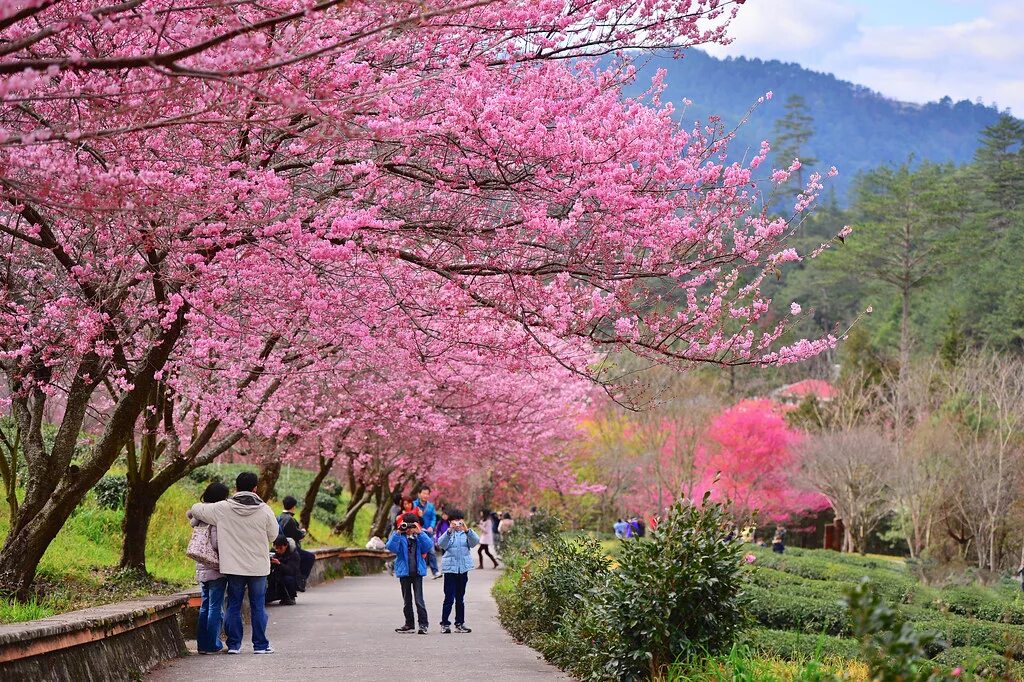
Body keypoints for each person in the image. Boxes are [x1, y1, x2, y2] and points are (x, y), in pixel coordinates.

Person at [188, 471, 279, 655]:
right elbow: (273, 535)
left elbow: (196, 508)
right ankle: (260, 645)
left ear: (236, 488)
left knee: (234, 605)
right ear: (255, 488)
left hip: (234, 567)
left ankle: (235, 645)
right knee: (258, 605)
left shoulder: (222, 508)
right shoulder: (265, 510)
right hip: (258, 567)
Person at [191, 482, 229, 654]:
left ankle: (202, 645)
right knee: (215, 607)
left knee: (205, 606)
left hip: (202, 566)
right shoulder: (214, 516)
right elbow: (216, 543)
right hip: (215, 568)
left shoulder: (198, 516)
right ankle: (213, 644)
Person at [385, 512, 435, 634]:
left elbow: (428, 546)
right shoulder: (399, 536)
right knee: (407, 600)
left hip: (417, 572)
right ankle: (409, 623)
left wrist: (420, 533)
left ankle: (423, 624)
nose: (408, 529)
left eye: (411, 526)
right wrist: (398, 532)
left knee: (419, 600)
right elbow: (390, 547)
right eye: (406, 526)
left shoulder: (420, 536)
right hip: (404, 573)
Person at [436, 510, 479, 634]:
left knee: (460, 598)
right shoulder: (449, 534)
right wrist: (449, 531)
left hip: (463, 570)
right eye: (455, 521)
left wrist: (467, 530)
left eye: (460, 520)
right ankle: (445, 624)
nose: (458, 523)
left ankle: (460, 623)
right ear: (450, 522)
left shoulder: (466, 534)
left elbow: (475, 542)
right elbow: (441, 544)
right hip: (450, 570)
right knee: (449, 598)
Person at [278, 496, 315, 591]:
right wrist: (303, 532)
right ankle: (301, 579)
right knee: (310, 557)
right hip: (290, 547)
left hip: (281, 545)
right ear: (293, 507)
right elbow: (297, 534)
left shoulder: (279, 517)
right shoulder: (290, 519)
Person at [413, 485, 440, 579]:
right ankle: (416, 570)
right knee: (416, 551)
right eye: (423, 493)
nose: (425, 495)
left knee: (431, 551)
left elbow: (433, 517)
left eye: (427, 494)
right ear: (419, 494)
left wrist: (431, 527)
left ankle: (435, 571)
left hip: (428, 533)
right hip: (416, 532)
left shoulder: (431, 506)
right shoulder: (414, 505)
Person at [266, 536, 301, 605]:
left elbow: (291, 571)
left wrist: (279, 564)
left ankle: (290, 597)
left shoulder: (294, 555)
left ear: (286, 546)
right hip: (276, 576)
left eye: (280, 548)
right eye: (277, 548)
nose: (278, 550)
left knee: (288, 579)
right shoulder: (274, 552)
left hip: (291, 578)